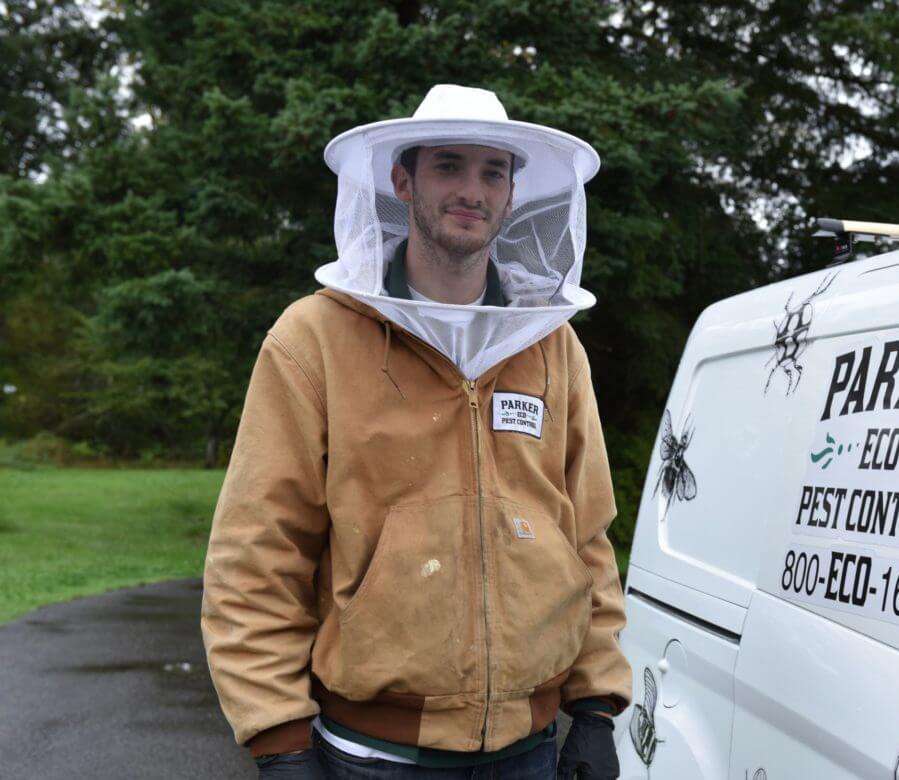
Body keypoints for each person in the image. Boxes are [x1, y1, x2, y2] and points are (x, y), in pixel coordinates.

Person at [201, 84, 632, 779]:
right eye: (449, 166)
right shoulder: (313, 338)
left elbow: (585, 534)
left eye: (493, 172)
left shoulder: (551, 345)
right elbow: (258, 549)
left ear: (513, 195)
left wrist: (595, 706)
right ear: (403, 180)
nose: (472, 189)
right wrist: (277, 736)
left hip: (530, 750)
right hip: (373, 754)